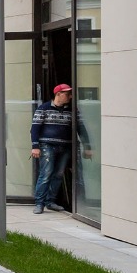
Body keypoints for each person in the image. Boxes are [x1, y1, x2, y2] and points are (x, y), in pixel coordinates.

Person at [30, 83, 92, 214]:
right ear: (58, 94)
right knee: (46, 174)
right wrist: (35, 146)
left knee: (58, 174)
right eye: (67, 94)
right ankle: (39, 203)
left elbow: (81, 128)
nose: (70, 96)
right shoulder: (43, 108)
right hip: (47, 145)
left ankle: (50, 201)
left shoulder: (73, 110)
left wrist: (87, 146)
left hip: (66, 146)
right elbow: (35, 128)